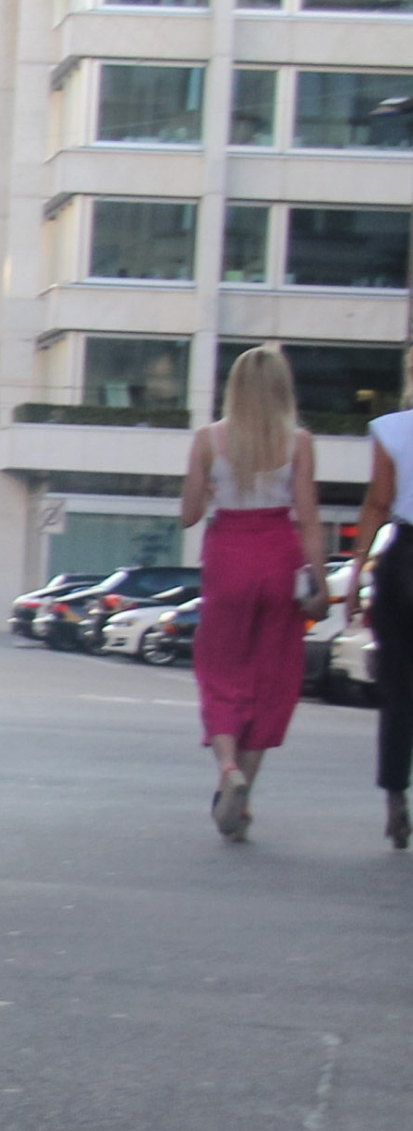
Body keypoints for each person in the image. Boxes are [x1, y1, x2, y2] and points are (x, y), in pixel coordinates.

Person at [180, 345, 322, 841]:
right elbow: (308, 518)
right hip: (279, 558)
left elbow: (189, 515)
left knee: (220, 671)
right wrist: (321, 584)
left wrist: (207, 487)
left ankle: (227, 771)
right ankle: (244, 801)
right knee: (271, 676)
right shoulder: (299, 443)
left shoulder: (208, 440)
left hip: (229, 559)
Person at [345, 350, 413, 850]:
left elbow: (377, 503)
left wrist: (355, 576)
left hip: (405, 562)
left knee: (398, 688)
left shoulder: (394, 431)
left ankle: (395, 794)